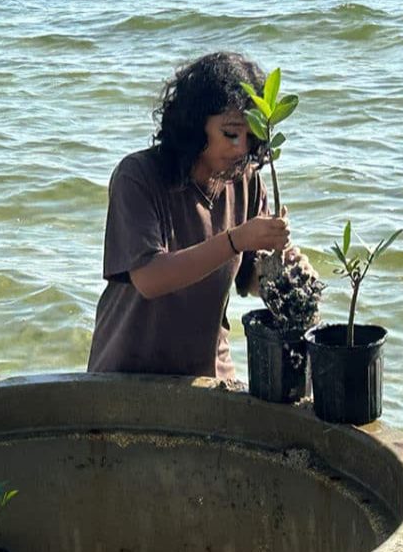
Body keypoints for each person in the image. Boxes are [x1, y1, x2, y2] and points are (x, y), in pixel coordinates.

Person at [87, 50, 291, 381]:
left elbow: (251, 277)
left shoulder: (247, 182)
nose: (241, 148)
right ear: (195, 123)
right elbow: (150, 279)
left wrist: (287, 271)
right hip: (128, 375)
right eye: (230, 133)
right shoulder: (138, 176)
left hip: (208, 374)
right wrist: (236, 239)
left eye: (251, 136)